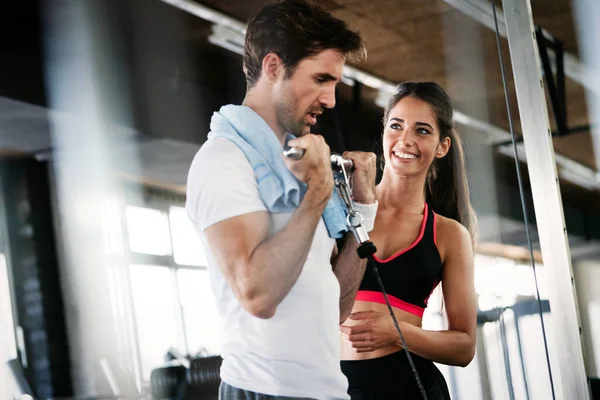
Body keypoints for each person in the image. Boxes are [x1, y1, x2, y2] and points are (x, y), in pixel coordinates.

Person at [185, 1, 378, 399]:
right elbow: (257, 295)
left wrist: (364, 210)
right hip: (265, 391)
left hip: (326, 390)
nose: (331, 100)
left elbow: (335, 308)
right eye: (321, 79)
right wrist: (320, 190)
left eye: (335, 84)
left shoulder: (298, 162)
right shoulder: (224, 160)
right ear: (273, 67)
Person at [339, 82, 477, 400]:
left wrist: (397, 332)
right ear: (384, 131)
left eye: (422, 130)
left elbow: (464, 346)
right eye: (396, 125)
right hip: (334, 386)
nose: (406, 140)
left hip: (410, 387)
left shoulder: (449, 235)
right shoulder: (343, 208)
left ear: (442, 146)